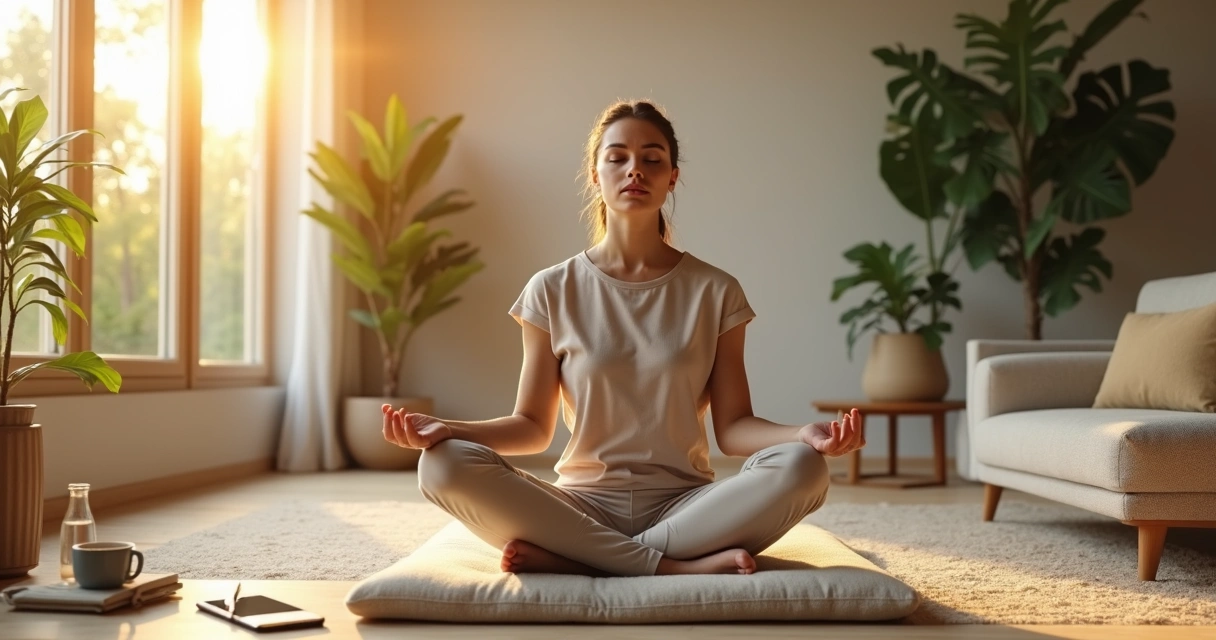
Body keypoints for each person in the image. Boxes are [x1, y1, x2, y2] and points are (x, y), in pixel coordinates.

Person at [381, 100, 864, 578]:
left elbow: (735, 428)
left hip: (687, 509)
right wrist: (447, 429)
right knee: (441, 465)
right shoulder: (551, 289)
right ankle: (668, 567)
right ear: (595, 175)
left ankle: (582, 559)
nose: (635, 170)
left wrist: (803, 435)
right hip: (580, 507)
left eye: (652, 159)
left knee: (804, 468)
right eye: (617, 158)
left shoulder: (716, 290)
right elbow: (531, 428)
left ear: (672, 177)